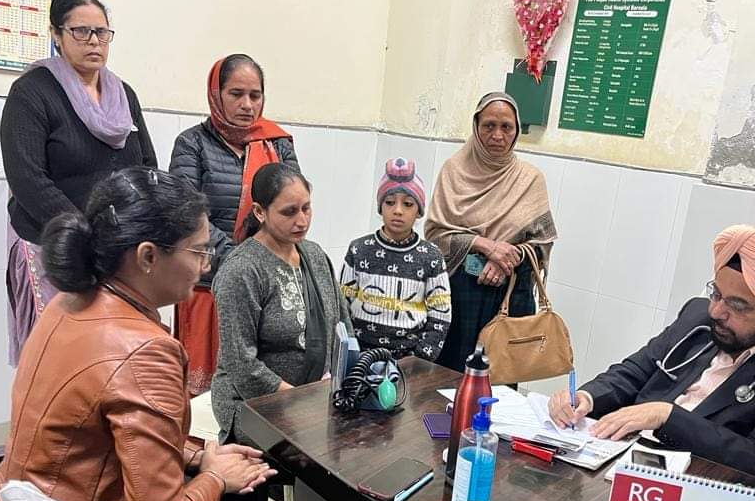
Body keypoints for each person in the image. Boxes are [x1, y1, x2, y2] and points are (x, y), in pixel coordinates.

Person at [0, 168, 276, 501]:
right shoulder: (144, 350)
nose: (206, 265)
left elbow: (98, 435)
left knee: (247, 496)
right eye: (199, 251)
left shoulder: (67, 302)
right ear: (147, 256)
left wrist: (200, 456)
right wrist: (216, 477)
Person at [547, 226, 755, 482]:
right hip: (618, 460)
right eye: (716, 294)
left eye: (737, 306)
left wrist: (667, 416)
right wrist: (587, 397)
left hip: (701, 489)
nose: (716, 311)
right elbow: (635, 371)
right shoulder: (697, 316)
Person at [1, 0, 157, 365]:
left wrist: (140, 226)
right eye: (81, 31)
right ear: (56, 34)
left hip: (117, 248)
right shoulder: (32, 92)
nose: (94, 41)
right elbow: (28, 179)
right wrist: (86, 234)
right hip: (56, 245)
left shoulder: (124, 95)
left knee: (112, 356)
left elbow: (146, 166)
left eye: (101, 32)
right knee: (61, 357)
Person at [169, 54, 299, 394]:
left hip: (265, 288)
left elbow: (290, 206)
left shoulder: (278, 144)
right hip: (207, 284)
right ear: (217, 94)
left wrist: (258, 267)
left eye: (255, 95)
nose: (247, 105)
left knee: (258, 388)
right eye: (236, 94)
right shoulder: (192, 144)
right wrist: (241, 262)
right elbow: (188, 213)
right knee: (206, 394)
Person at [212, 162, 350, 444]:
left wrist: (340, 380)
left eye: (306, 208)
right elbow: (241, 363)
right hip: (254, 405)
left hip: (315, 396)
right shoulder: (242, 270)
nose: (302, 221)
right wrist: (299, 402)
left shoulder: (315, 255)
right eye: (289, 212)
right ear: (259, 212)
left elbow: (342, 326)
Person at [425, 92, 557, 372]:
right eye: (489, 126)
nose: (497, 135)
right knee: (448, 376)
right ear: (476, 126)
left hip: (510, 295)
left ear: (516, 130)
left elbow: (542, 242)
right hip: (459, 294)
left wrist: (506, 259)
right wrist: (485, 246)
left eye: (506, 127)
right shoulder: (453, 171)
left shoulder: (530, 179)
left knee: (500, 380)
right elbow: (435, 235)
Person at [339, 157, 451, 361]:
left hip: (408, 358)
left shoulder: (431, 257)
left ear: (419, 211)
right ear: (380, 207)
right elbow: (341, 306)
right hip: (360, 355)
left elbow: (440, 314)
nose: (398, 210)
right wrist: (350, 352)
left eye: (408, 204)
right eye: (389, 202)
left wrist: (419, 360)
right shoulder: (359, 249)